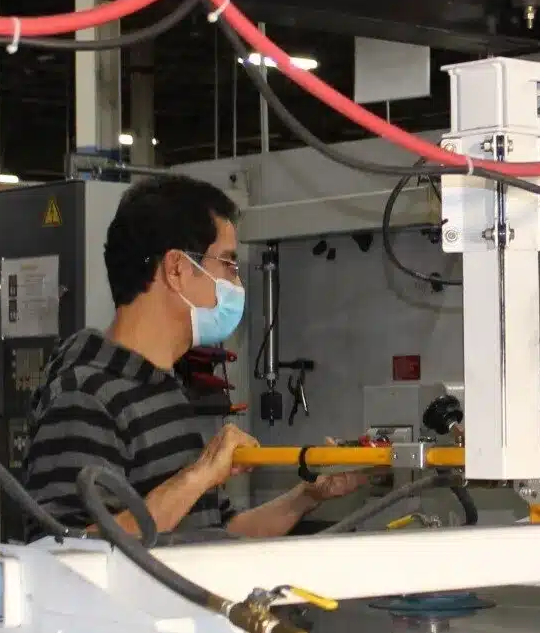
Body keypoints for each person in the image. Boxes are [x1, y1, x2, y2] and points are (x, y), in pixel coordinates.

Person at [21, 175, 363, 539]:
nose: (236, 285)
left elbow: (217, 532)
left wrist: (307, 496)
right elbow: (65, 553)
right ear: (177, 269)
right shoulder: (84, 396)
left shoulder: (159, 386)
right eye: (228, 265)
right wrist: (199, 474)